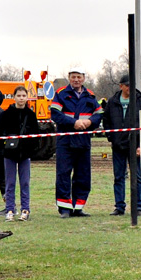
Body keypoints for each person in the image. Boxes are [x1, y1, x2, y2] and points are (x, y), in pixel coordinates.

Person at [49, 68, 101, 218]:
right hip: (65, 141)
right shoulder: (61, 94)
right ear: (69, 78)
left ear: (83, 78)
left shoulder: (90, 96)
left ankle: (79, 207)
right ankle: (65, 208)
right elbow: (55, 114)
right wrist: (74, 123)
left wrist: (90, 122)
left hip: (83, 141)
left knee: (83, 175)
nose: (76, 80)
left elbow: (99, 115)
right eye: (73, 77)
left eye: (79, 77)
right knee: (63, 174)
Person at [101, 75, 141, 215]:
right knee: (119, 177)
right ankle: (119, 206)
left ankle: (138, 207)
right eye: (127, 85)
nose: (129, 88)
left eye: (132, 85)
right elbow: (106, 120)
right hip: (118, 146)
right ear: (121, 86)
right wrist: (111, 137)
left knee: (137, 177)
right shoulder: (113, 101)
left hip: (134, 145)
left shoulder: (140, 100)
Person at [0, 86, 38, 221]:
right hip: (9, 154)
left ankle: (25, 209)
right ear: (14, 97)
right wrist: (4, 146)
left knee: (25, 182)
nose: (21, 98)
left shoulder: (31, 115)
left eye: (23, 96)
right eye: (18, 95)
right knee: (10, 183)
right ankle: (10, 209)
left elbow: (36, 135)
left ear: (27, 97)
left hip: (25, 154)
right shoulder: (6, 114)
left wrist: (31, 149)